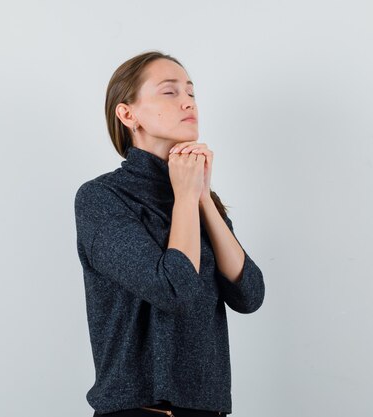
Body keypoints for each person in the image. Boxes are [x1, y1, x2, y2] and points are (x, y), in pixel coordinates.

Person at [74, 50, 266, 417]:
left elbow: (249, 295)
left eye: (191, 93)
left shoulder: (194, 195)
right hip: (140, 407)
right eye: (170, 92)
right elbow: (174, 289)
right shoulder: (102, 198)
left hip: (207, 408)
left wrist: (203, 198)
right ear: (128, 114)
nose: (187, 103)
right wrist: (184, 197)